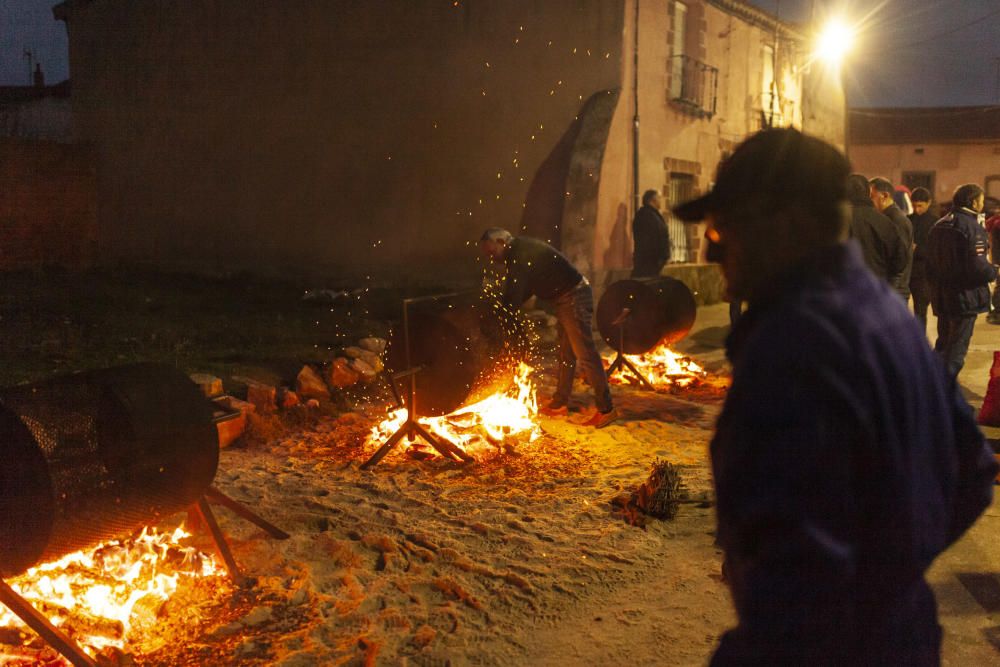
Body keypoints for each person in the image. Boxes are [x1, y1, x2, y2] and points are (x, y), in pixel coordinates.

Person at [672, 128, 997, 665]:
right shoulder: (880, 310)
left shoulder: (795, 346)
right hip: (902, 637)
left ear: (782, 225)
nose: (712, 241)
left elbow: (799, 587)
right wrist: (891, 575)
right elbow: (973, 471)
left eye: (725, 224)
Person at [479, 229, 617, 428]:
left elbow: (514, 293)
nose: (492, 259)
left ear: (501, 241)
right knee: (566, 354)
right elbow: (524, 289)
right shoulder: (519, 253)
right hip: (565, 300)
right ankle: (559, 404)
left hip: (574, 297)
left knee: (585, 353)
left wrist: (500, 314)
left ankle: (607, 410)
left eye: (492, 253)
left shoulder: (519, 253)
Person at [926, 184, 997, 377]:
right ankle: (943, 396)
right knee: (955, 352)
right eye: (981, 200)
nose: (983, 204)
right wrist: (994, 272)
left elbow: (929, 262)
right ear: (973, 201)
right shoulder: (971, 227)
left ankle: (931, 386)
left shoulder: (939, 224)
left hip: (942, 296)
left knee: (942, 346)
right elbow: (978, 267)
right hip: (965, 298)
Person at [847, 174, 907, 284]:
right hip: (875, 290)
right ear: (869, 193)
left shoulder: (834, 222)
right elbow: (900, 261)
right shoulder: (884, 222)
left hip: (841, 292)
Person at [870, 177, 914, 302]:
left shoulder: (897, 220)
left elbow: (900, 259)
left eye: (871, 196)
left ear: (884, 196)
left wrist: (889, 292)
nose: (869, 201)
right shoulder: (886, 217)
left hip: (895, 292)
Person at [909, 187, 937, 331]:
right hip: (908, 272)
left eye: (920, 205)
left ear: (928, 203)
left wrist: (917, 249)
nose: (917, 209)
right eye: (914, 205)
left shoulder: (935, 222)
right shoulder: (908, 220)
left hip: (924, 274)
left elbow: (935, 249)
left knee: (920, 310)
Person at [631, 189, 671, 278]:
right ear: (652, 200)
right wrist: (658, 258)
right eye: (659, 198)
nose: (661, 200)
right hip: (648, 263)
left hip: (653, 263)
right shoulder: (645, 215)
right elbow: (649, 239)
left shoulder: (653, 215)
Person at [986, 199, 1000, 324]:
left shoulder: (994, 221)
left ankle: (994, 312)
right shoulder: (997, 224)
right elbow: (995, 245)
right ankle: (996, 313)